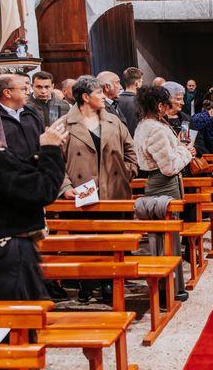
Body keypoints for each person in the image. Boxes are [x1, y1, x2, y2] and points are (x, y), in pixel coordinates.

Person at [60, 75, 138, 303]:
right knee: (86, 241)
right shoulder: (65, 124)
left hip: (114, 190)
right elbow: (55, 161)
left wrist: (127, 172)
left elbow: (131, 150)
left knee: (111, 239)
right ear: (85, 97)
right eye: (98, 94)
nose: (104, 97)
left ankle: (109, 283)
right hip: (82, 191)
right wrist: (65, 186)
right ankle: (87, 282)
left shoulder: (113, 121)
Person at [0, 105, 67, 301]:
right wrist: (50, 149)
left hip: (1, 246)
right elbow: (43, 191)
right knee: (15, 323)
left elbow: (9, 184)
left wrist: (36, 160)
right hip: (7, 250)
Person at [134, 85, 194, 302]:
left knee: (159, 240)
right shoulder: (156, 129)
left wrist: (178, 150)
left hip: (154, 183)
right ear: (159, 105)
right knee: (169, 238)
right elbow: (169, 166)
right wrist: (185, 152)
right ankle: (170, 289)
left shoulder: (143, 125)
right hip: (164, 184)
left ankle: (165, 287)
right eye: (166, 104)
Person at [0, 73, 43, 160]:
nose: (29, 92)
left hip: (36, 170)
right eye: (24, 89)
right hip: (10, 171)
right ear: (7, 93)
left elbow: (41, 139)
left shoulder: (31, 111)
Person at [117, 67, 143, 137]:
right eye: (141, 82)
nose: (142, 84)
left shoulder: (116, 100)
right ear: (137, 84)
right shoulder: (139, 102)